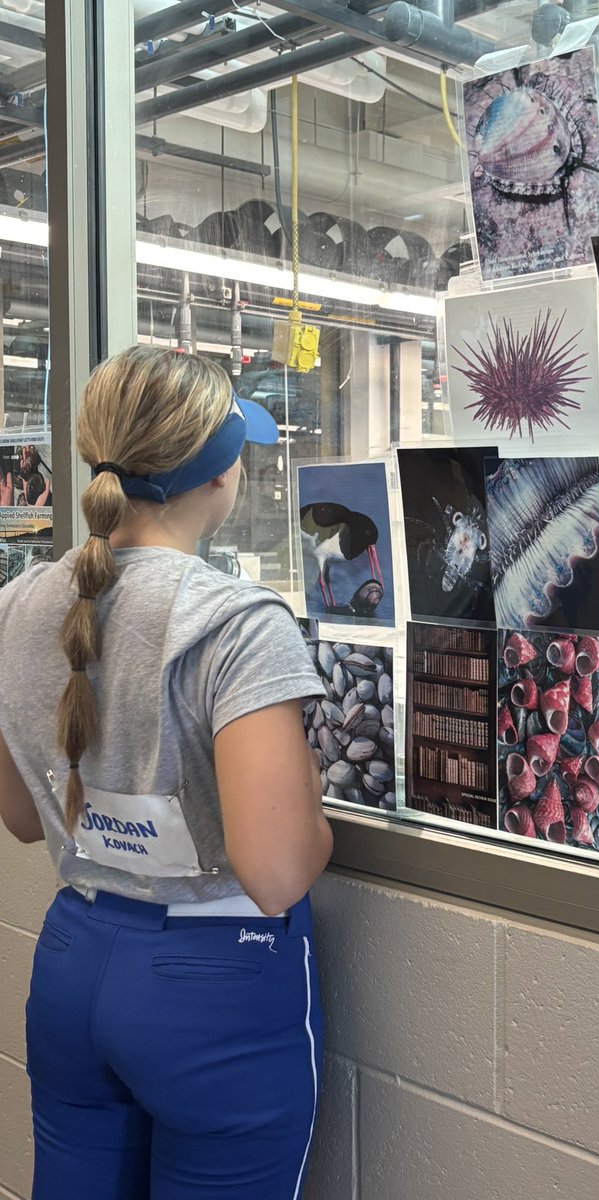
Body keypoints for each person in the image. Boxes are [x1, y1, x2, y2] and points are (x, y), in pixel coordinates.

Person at [0, 346, 333, 1200]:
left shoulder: (16, 604)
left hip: (75, 958)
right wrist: (314, 805)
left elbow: (24, 815)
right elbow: (275, 870)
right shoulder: (239, 625)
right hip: (216, 987)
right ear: (221, 475)